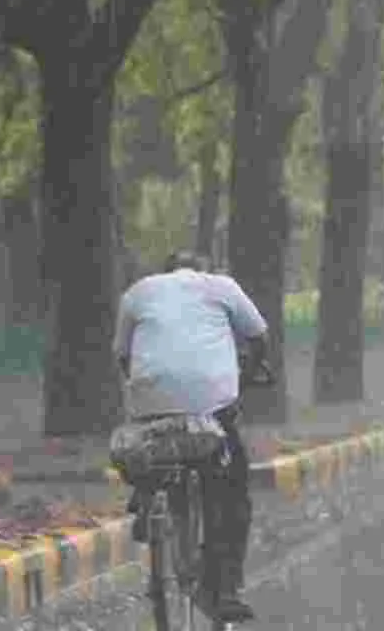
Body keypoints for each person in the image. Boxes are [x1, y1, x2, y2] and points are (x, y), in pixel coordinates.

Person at [113, 250, 267, 623]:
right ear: (203, 270)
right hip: (210, 407)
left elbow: (122, 355)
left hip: (151, 407)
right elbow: (259, 336)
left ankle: (146, 494)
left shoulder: (138, 292)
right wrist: (247, 375)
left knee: (150, 441)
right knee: (232, 490)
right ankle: (226, 587)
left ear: (165, 273)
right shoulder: (222, 286)